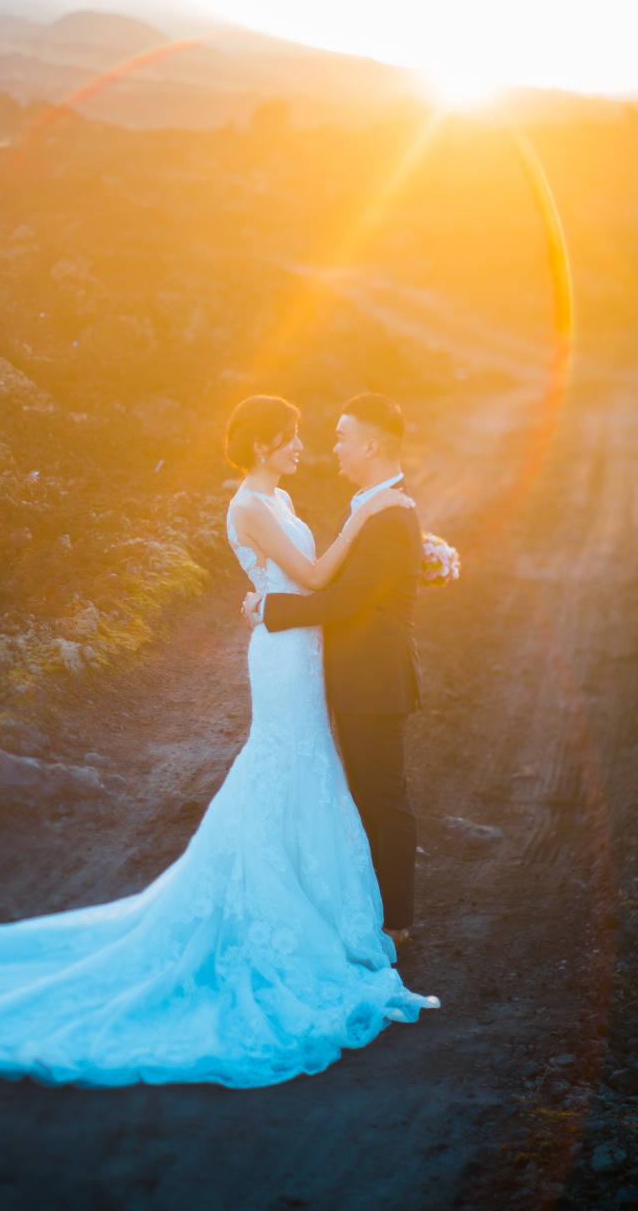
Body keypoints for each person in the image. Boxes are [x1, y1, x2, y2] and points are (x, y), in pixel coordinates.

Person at [0, 393, 438, 1088]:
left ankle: (324, 902)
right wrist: (365, 520)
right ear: (261, 447)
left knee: (312, 770)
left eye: (320, 437)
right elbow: (317, 577)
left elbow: (344, 581)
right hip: (285, 652)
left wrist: (409, 550)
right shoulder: (254, 505)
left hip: (303, 647)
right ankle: (285, 906)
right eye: (290, 438)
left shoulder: (280, 500)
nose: (305, 448)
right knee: (283, 764)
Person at [242, 392, 422, 951]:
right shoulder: (376, 504)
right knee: (362, 792)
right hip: (353, 675)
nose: (333, 445)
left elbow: (347, 601)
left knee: (382, 798)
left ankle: (395, 923)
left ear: (371, 444)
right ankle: (363, 906)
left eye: (343, 436)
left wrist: (271, 609)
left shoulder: (388, 512)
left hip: (373, 681)